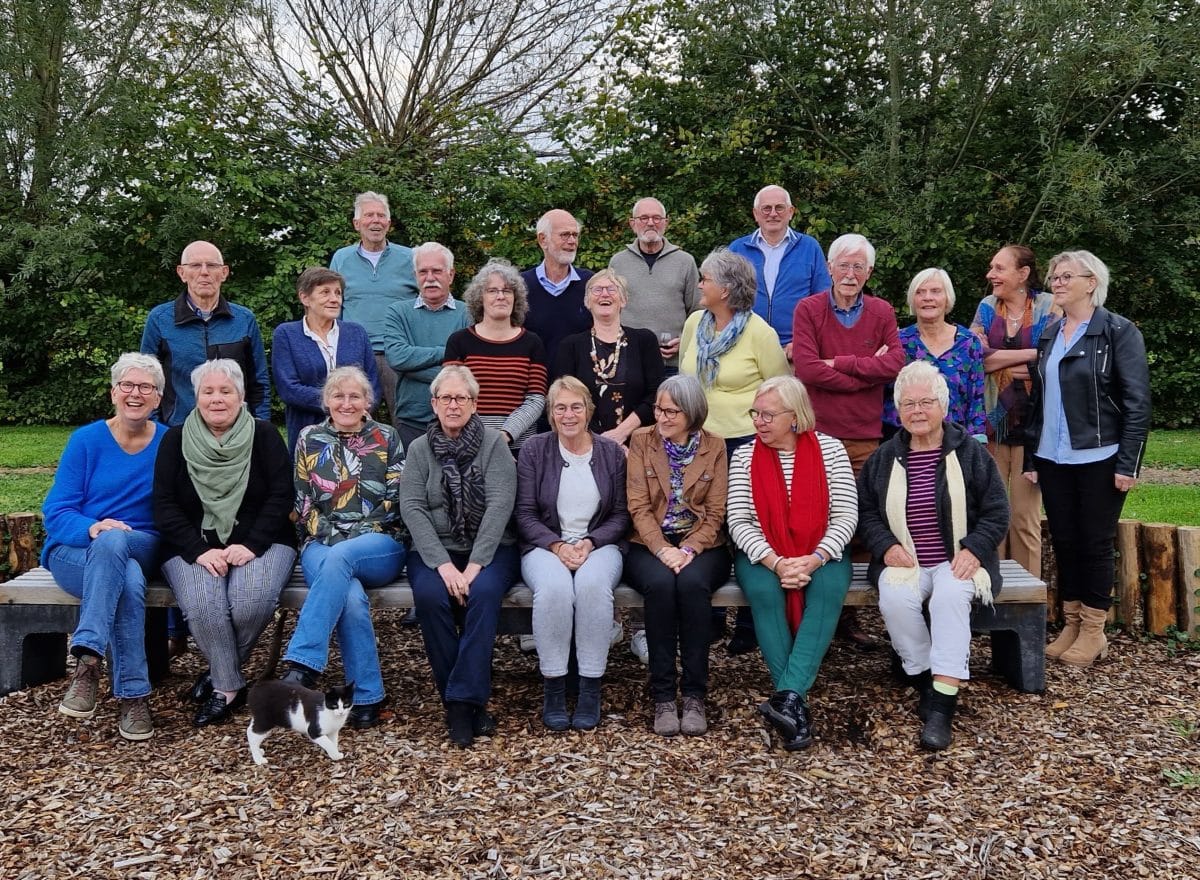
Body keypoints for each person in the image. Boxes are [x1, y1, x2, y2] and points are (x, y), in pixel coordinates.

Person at [858, 361, 1009, 750]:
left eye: (926, 402)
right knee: (894, 599)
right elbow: (867, 512)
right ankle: (929, 676)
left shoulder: (971, 454)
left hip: (955, 558)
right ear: (898, 410)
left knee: (948, 598)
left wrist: (975, 549)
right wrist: (887, 546)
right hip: (905, 558)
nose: (917, 411)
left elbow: (997, 511)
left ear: (943, 407)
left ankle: (941, 709)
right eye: (908, 404)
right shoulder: (883, 458)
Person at [141, 239, 272, 656]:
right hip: (178, 438)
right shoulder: (161, 320)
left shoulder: (243, 320)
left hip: (236, 439)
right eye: (194, 266)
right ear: (181, 273)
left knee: (230, 516)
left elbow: (258, 384)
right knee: (184, 523)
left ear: (224, 272)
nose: (203, 273)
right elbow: (149, 380)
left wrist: (259, 432)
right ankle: (178, 626)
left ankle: (219, 624)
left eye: (211, 266)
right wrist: (161, 432)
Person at [1024, 251, 1150, 668]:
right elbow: (1039, 401)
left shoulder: (1118, 331)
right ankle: (1072, 623)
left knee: (1094, 544)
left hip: (1100, 454)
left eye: (1065, 277)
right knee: (1064, 540)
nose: (1055, 283)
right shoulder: (1051, 332)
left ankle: (1094, 630)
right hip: (1053, 455)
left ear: (1090, 282)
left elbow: (1137, 402)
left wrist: (1128, 463)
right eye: (1053, 277)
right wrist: (1031, 454)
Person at [154, 360, 297, 727]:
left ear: (241, 396)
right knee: (204, 607)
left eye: (225, 391)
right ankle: (228, 686)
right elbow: (164, 505)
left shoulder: (265, 436)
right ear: (196, 396)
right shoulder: (174, 439)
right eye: (208, 391)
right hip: (192, 546)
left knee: (250, 603)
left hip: (262, 543)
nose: (217, 399)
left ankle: (218, 672)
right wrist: (199, 551)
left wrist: (250, 545)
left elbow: (282, 496)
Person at [42, 353, 168, 741]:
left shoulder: (169, 443)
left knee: (120, 549)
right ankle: (133, 696)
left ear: (158, 398)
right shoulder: (86, 440)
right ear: (114, 393)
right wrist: (93, 527)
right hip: (76, 550)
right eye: (127, 385)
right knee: (125, 576)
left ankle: (87, 658)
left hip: (142, 544)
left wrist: (112, 534)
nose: (135, 393)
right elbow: (56, 511)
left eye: (146, 387)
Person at [727, 376, 858, 751]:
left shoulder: (830, 450)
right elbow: (738, 520)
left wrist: (813, 559)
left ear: (795, 416)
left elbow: (847, 516)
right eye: (756, 413)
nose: (758, 421)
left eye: (768, 414)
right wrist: (777, 563)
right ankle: (794, 700)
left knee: (830, 588)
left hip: (821, 551)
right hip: (762, 553)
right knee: (765, 593)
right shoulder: (744, 455)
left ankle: (786, 697)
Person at [278, 366, 407, 730]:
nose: (347, 403)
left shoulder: (387, 437)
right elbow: (304, 504)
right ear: (326, 401)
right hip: (322, 543)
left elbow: (396, 501)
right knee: (348, 594)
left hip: (380, 543)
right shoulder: (309, 438)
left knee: (343, 558)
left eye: (355, 396)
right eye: (339, 395)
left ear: (368, 402)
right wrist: (336, 537)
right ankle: (367, 696)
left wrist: (355, 536)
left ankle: (303, 664)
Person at [792, 232, 904, 650]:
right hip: (815, 433)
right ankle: (810, 609)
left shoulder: (881, 311)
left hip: (863, 436)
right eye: (844, 265)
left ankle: (848, 616)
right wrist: (863, 372)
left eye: (859, 266)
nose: (851, 273)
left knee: (857, 521)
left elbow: (894, 364)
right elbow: (806, 368)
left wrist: (838, 362)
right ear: (830, 268)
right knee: (813, 519)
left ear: (869, 272)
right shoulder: (809, 309)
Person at [400, 365, 521, 748]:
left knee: (482, 594)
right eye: (446, 398)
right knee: (433, 597)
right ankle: (467, 704)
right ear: (433, 404)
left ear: (474, 403)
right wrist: (444, 565)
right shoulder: (419, 449)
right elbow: (413, 508)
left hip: (490, 549)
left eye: (462, 398)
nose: (454, 405)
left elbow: (501, 505)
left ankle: (459, 703)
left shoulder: (494, 445)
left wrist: (473, 565)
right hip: (434, 551)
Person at [679, 247, 790, 655]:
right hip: (697, 444)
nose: (700, 284)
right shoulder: (694, 323)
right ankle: (707, 618)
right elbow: (683, 381)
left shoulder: (759, 332)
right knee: (701, 525)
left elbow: (780, 392)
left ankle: (748, 623)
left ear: (725, 289)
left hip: (747, 444)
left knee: (747, 528)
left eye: (705, 279)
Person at [515, 377, 629, 731]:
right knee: (555, 589)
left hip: (600, 544)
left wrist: (590, 542)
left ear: (589, 410)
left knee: (593, 586)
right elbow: (525, 514)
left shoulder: (610, 452)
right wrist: (557, 545)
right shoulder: (535, 449)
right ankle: (554, 685)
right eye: (560, 407)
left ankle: (590, 686)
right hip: (545, 544)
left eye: (576, 406)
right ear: (550, 414)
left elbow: (622, 514)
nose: (568, 415)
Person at [625, 374, 731, 737]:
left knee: (692, 585)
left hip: (702, 544)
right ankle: (664, 696)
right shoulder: (641, 441)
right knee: (658, 586)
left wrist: (687, 549)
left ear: (692, 413)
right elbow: (638, 508)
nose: (662, 417)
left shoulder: (714, 446)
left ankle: (695, 694)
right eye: (658, 408)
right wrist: (663, 550)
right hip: (648, 543)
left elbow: (716, 513)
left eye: (672, 411)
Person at [970, 245, 1057, 578]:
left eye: (999, 268)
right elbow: (977, 355)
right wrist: (1030, 357)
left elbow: (1056, 357)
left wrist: (1003, 362)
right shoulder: (987, 307)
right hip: (992, 423)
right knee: (990, 515)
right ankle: (990, 595)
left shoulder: (1050, 306)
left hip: (1034, 426)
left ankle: (1028, 602)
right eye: (991, 267)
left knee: (1024, 518)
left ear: (1022, 274)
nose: (991, 275)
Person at [330, 191, 420, 422]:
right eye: (369, 215)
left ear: (389, 224)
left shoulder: (410, 258)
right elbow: (333, 306)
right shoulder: (341, 258)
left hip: (399, 354)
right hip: (355, 353)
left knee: (404, 419)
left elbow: (423, 303)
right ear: (356, 223)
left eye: (381, 215)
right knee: (353, 419)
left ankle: (407, 459)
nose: (375, 220)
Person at [272, 267, 381, 455]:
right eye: (325, 292)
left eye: (338, 293)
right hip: (308, 430)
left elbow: (372, 384)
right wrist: (337, 404)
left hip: (355, 431)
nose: (334, 298)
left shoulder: (356, 333)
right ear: (305, 298)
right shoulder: (287, 334)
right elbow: (288, 388)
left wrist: (355, 410)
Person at [444, 259, 548, 453]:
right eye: (492, 291)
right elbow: (451, 396)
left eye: (507, 291)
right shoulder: (459, 341)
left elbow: (536, 399)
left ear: (516, 298)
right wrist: (479, 436)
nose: (501, 296)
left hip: (520, 447)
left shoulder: (532, 343)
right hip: (468, 444)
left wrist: (505, 434)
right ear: (479, 298)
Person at [552, 269, 665, 445]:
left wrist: (621, 433)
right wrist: (599, 443)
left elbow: (656, 395)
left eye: (612, 289)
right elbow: (562, 399)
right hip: (584, 444)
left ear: (624, 300)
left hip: (639, 444)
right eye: (597, 290)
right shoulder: (570, 346)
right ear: (587, 301)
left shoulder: (645, 340)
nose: (604, 294)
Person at [382, 242, 470, 452]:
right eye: (423, 271)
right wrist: (448, 353)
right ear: (415, 276)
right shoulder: (397, 313)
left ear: (451, 275)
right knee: (414, 483)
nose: (430, 278)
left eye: (437, 271)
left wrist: (412, 367)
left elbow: (472, 368)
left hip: (459, 421)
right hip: (411, 420)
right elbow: (397, 358)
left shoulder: (469, 314)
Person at [728, 185, 832, 360]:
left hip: (795, 350)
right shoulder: (737, 249)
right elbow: (724, 299)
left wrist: (803, 340)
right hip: (746, 349)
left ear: (790, 212)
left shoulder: (809, 247)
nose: (773, 214)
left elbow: (823, 301)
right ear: (755, 214)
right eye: (766, 208)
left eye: (779, 208)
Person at [882, 268, 986, 440]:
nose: (927, 297)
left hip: (955, 441)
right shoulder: (898, 342)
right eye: (920, 292)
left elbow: (976, 398)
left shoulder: (968, 342)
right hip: (905, 440)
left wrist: (977, 444)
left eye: (935, 291)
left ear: (947, 298)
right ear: (912, 301)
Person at [608, 197, 699, 372]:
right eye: (644, 218)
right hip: (630, 361)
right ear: (633, 223)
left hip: (672, 364)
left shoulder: (685, 262)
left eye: (657, 218)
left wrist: (686, 339)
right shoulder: (618, 262)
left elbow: (698, 311)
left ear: (665, 223)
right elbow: (610, 310)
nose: (651, 223)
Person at [522, 209, 594, 367]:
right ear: (543, 240)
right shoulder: (520, 286)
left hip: (579, 386)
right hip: (534, 383)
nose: (572, 241)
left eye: (575, 235)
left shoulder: (591, 284)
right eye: (564, 235)